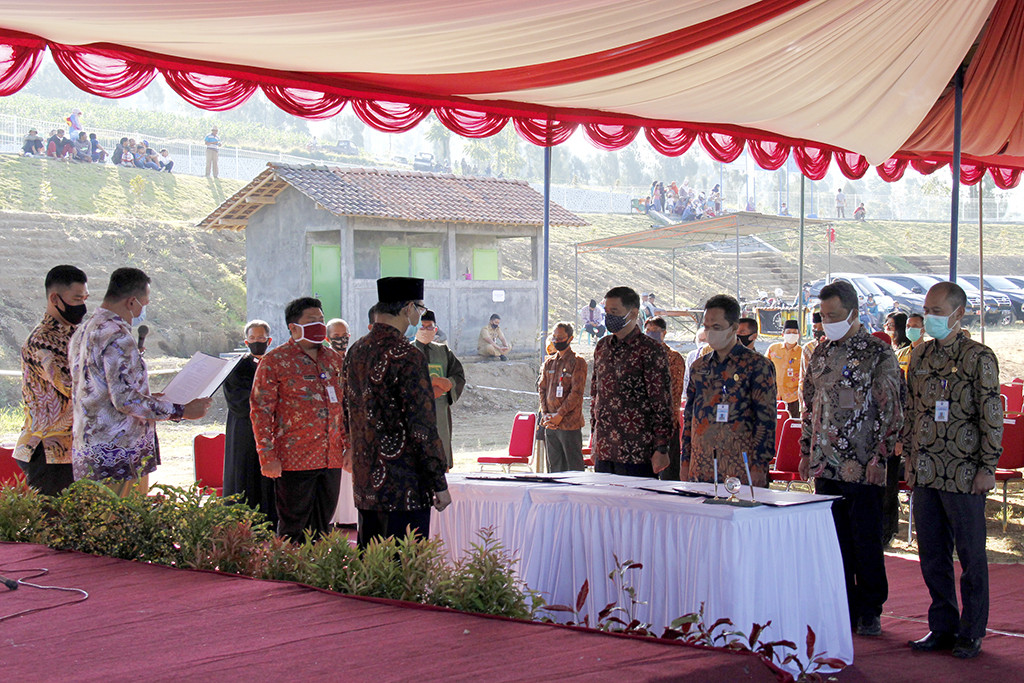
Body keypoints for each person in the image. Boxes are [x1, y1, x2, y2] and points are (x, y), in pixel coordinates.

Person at [799, 280, 903, 638]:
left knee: (865, 540)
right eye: (823, 316)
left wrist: (881, 458)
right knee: (834, 541)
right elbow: (808, 405)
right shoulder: (819, 352)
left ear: (854, 313)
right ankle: (842, 604)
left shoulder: (878, 352)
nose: (827, 322)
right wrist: (805, 449)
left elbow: (892, 411)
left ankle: (870, 609)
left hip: (864, 465)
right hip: (825, 464)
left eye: (834, 315)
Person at [905, 282, 1002, 660]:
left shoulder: (980, 357)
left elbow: (992, 417)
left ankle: (972, 630)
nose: (930, 316)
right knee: (932, 555)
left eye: (938, 310)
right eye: (927, 308)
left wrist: (987, 467)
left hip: (964, 473)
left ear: (959, 314)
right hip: (927, 470)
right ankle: (942, 625)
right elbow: (912, 411)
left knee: (971, 556)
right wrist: (911, 459)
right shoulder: (920, 355)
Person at [69, 268, 211, 495]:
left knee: (97, 524)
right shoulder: (117, 335)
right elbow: (126, 401)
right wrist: (181, 410)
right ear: (132, 302)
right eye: (144, 303)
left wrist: (145, 394)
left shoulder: (84, 329)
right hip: (119, 454)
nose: (143, 310)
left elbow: (98, 389)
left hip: (89, 450)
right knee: (123, 525)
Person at [344, 277, 451, 547]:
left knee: (372, 568)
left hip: (367, 481)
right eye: (420, 309)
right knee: (403, 570)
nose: (420, 315)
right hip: (405, 485)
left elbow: (347, 411)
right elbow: (422, 426)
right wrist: (438, 481)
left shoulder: (355, 350)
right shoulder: (408, 355)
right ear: (407, 308)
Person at [251, 297, 345, 542]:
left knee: (323, 527)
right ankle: (290, 575)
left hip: (331, 457)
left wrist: (350, 446)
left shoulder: (334, 360)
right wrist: (267, 455)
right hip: (295, 459)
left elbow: (345, 407)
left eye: (321, 321)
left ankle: (319, 576)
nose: (320, 326)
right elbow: (260, 411)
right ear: (293, 328)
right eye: (312, 321)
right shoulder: (275, 361)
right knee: (294, 528)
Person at [682, 295, 776, 486]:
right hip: (701, 466)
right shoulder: (699, 367)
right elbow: (689, 416)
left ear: (733, 328)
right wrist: (685, 460)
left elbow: (765, 419)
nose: (710, 332)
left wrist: (759, 465)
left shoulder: (757, 365)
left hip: (741, 467)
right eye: (707, 327)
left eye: (716, 327)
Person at [14, 266, 89, 496]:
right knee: (53, 528)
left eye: (85, 298)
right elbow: (73, 387)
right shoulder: (43, 341)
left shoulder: (75, 333)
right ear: (54, 298)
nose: (82, 305)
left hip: (73, 449)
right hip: (48, 453)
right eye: (77, 299)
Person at [590, 286, 673, 478]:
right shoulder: (602, 347)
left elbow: (662, 402)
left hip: (638, 452)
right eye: (607, 312)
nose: (609, 316)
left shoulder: (650, 349)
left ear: (633, 313)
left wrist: (661, 448)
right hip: (605, 449)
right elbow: (596, 394)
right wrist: (594, 439)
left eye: (615, 312)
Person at [222, 320, 277, 523]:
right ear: (246, 341)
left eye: (261, 338)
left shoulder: (275, 363)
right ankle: (241, 522)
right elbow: (238, 401)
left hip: (272, 431)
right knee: (244, 473)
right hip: (245, 430)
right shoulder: (236, 367)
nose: (256, 342)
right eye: (252, 338)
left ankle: (271, 520)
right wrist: (267, 403)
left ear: (269, 340)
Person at [414, 310, 466, 470]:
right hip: (416, 411)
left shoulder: (443, 351)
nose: (425, 330)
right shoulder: (408, 352)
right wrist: (433, 383)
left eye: (429, 327)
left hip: (440, 410)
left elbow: (458, 375)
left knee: (441, 450)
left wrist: (448, 383)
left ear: (435, 329)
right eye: (422, 327)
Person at [538, 322, 587, 472]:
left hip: (569, 424)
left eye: (561, 337)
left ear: (570, 338)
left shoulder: (577, 362)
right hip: (550, 424)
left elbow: (576, 393)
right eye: (554, 337)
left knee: (573, 468)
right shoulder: (549, 363)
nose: (557, 340)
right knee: (554, 468)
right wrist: (546, 414)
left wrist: (560, 415)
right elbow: (542, 389)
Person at [644, 316, 686, 481]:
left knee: (668, 474)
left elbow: (674, 393)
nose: (651, 335)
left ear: (664, 333)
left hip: (666, 424)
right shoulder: (642, 355)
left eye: (655, 332)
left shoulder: (673, 358)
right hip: (644, 425)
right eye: (648, 331)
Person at [766, 320, 803, 417]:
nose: (792, 335)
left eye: (794, 333)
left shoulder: (802, 352)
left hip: (794, 397)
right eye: (789, 332)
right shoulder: (773, 349)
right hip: (774, 395)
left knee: (793, 424)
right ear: (783, 334)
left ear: (798, 335)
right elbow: (764, 367)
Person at [798, 312, 825, 413]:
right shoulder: (808, 348)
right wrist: (803, 405)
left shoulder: (836, 347)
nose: (818, 331)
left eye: (821, 328)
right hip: (810, 400)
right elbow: (803, 378)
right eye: (815, 327)